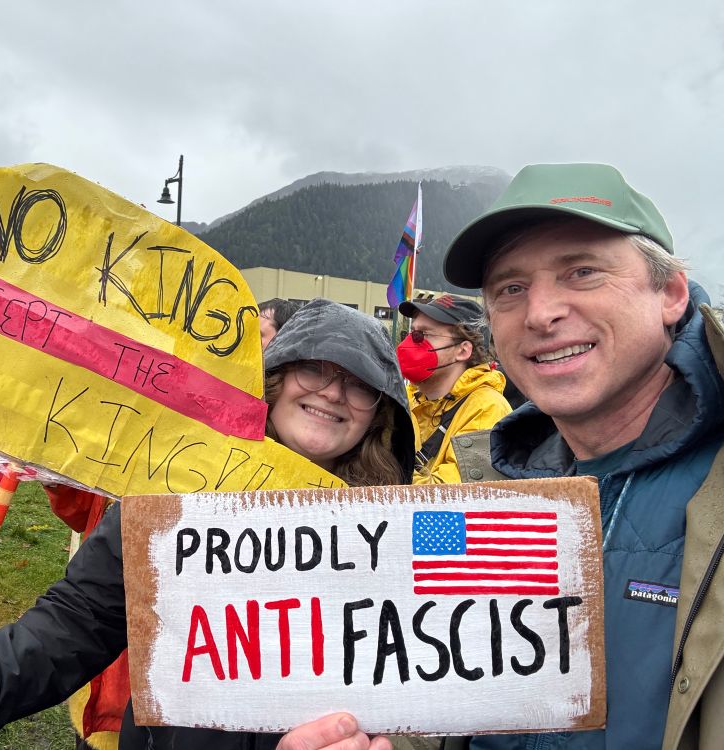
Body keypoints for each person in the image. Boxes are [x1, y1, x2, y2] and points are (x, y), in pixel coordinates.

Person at [276, 162, 724, 750]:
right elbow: (444, 677)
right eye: (511, 289)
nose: (540, 314)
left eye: (582, 272)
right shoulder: (481, 488)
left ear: (669, 293)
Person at [0, 298, 416, 749]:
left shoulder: (393, 532)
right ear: (275, 379)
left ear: (379, 413)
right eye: (316, 369)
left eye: (359, 385)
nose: (332, 393)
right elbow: (81, 617)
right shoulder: (179, 489)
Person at [395, 294, 511, 483]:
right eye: (411, 333)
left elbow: (451, 499)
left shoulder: (488, 408)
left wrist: (379, 471)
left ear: (463, 350)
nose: (409, 343)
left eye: (423, 335)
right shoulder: (404, 399)